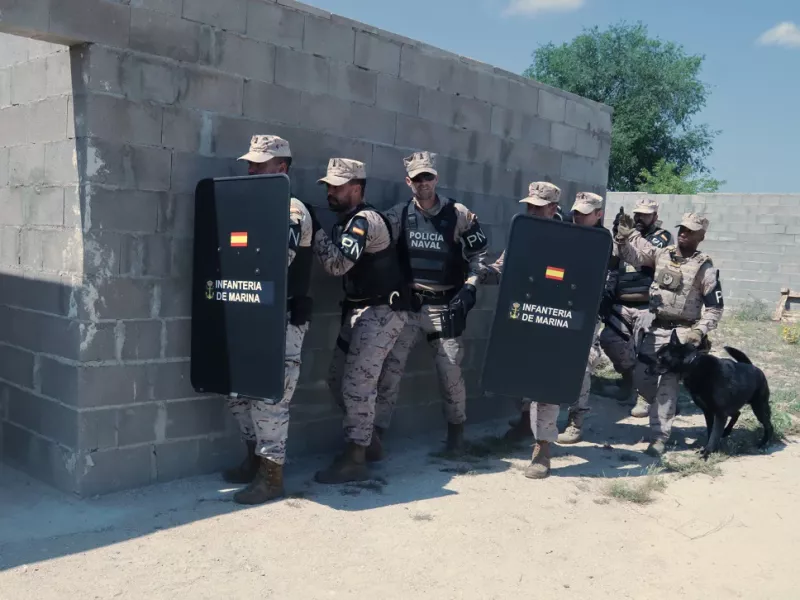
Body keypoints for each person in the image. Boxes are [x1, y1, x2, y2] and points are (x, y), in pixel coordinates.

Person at [374, 151, 489, 455]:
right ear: (408, 181)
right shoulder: (398, 215)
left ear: (436, 178)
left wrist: (470, 289)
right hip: (409, 308)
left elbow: (480, 259)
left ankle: (456, 434)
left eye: (428, 177)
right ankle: (373, 438)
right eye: (417, 178)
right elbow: (381, 253)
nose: (423, 183)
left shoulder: (458, 214)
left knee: (450, 372)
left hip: (444, 307)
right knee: (389, 372)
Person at [223, 135, 314, 504]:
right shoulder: (253, 207)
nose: (250, 168)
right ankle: (252, 459)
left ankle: (271, 476)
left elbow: (277, 258)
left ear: (282, 168)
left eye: (259, 164)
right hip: (249, 314)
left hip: (282, 320)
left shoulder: (293, 210)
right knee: (237, 394)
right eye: (250, 162)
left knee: (270, 400)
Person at [310, 158, 410, 483]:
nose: (330, 192)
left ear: (357, 188)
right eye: (328, 186)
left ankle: (356, 458)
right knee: (337, 380)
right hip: (358, 311)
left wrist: (314, 229)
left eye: (338, 186)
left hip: (380, 312)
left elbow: (337, 265)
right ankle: (370, 443)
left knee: (357, 385)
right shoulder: (347, 222)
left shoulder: (364, 221)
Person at [614, 211, 724, 456]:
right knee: (642, 378)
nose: (684, 233)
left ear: (701, 236)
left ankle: (659, 437)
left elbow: (715, 308)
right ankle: (667, 410)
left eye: (690, 230)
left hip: (681, 335)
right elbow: (636, 257)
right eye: (682, 228)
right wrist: (622, 240)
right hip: (655, 327)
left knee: (668, 385)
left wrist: (699, 331)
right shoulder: (663, 253)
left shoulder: (704, 268)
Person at [600, 198, 673, 418]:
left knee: (647, 350)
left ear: (655, 215)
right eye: (637, 214)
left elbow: (648, 258)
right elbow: (612, 262)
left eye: (645, 214)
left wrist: (630, 235)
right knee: (609, 340)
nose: (640, 218)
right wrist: (617, 239)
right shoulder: (627, 235)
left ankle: (645, 395)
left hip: (646, 305)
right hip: (621, 303)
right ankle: (629, 380)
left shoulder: (662, 237)